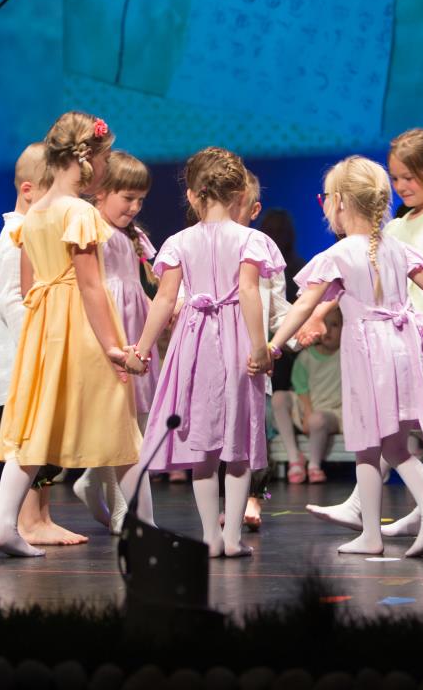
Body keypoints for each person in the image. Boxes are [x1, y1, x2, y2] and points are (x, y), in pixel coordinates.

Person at [258, 156, 423, 556]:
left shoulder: (342, 252)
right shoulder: (396, 248)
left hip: (369, 354)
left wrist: (274, 345)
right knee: (389, 445)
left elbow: (303, 304)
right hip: (402, 349)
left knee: (371, 445)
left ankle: (422, 515)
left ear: (342, 202)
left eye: (327, 198)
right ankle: (376, 532)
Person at [305, 128, 423, 532]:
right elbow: (356, 275)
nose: (403, 185)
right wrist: (320, 313)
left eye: (410, 176)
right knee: (393, 425)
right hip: (396, 338)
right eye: (396, 178)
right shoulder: (393, 228)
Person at [0, 112, 142, 558]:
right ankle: (144, 527)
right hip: (80, 327)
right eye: (105, 158)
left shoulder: (33, 215)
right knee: (122, 427)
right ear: (87, 159)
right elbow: (90, 286)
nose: (106, 167)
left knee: (35, 430)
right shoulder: (79, 211)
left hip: (44, 330)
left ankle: (3, 521)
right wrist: (113, 346)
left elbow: (30, 287)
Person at [121, 147, 283, 558]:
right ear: (238, 194)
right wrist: (260, 348)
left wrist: (141, 350)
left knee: (204, 450)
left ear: (192, 195)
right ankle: (231, 539)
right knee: (238, 446)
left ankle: (211, 537)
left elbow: (164, 300)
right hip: (235, 341)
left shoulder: (178, 242)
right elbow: (249, 292)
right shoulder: (250, 239)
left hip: (194, 343)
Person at [72, 150, 160, 533]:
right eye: (128, 198)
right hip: (109, 328)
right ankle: (124, 507)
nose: (135, 207)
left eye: (141, 200)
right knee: (118, 418)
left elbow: (145, 285)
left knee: (135, 414)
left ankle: (92, 481)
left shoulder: (133, 235)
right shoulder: (91, 227)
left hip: (134, 328)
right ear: (101, 192)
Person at [232, 171, 295, 530]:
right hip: (220, 356)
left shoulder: (263, 253)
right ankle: (229, 502)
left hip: (255, 358)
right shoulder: (208, 247)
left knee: (258, 430)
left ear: (254, 209)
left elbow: (278, 308)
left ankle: (254, 497)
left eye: (237, 205)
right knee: (223, 433)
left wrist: (297, 334)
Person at [258, 207, 307, 484]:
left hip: (284, 345)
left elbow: (295, 308)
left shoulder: (296, 267)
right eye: (271, 230)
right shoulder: (254, 261)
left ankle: (257, 486)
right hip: (258, 341)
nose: (275, 235)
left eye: (280, 231)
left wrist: (285, 341)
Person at [290, 305, 343, 483]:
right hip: (310, 409)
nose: (328, 330)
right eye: (324, 323)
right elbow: (300, 386)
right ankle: (294, 458)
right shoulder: (306, 356)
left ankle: (314, 465)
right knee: (279, 399)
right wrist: (307, 411)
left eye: (334, 325)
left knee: (317, 419)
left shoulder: (345, 354)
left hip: (334, 413)